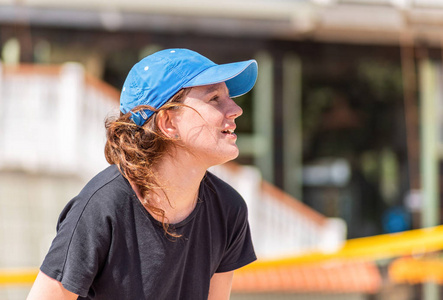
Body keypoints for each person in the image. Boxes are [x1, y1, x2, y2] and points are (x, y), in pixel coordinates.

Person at [27, 48, 258, 299]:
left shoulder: (228, 209)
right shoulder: (102, 207)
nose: (236, 109)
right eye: (214, 98)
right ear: (168, 123)